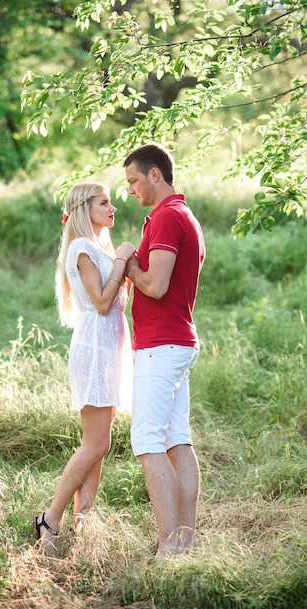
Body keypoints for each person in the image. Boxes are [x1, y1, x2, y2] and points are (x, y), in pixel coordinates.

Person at [34, 181, 136, 554]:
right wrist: (123, 261)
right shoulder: (81, 247)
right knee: (96, 443)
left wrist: (121, 260)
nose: (113, 208)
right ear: (84, 208)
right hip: (95, 349)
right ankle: (50, 518)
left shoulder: (98, 246)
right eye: (104, 203)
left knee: (100, 445)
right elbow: (103, 301)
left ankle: (85, 525)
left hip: (109, 348)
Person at [123, 143, 206, 558]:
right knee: (177, 441)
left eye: (134, 181)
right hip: (176, 341)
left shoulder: (168, 217)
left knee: (148, 441)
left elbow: (154, 285)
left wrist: (129, 265)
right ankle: (185, 542)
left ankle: (169, 547)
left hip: (162, 344)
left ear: (155, 175)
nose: (131, 191)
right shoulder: (179, 214)